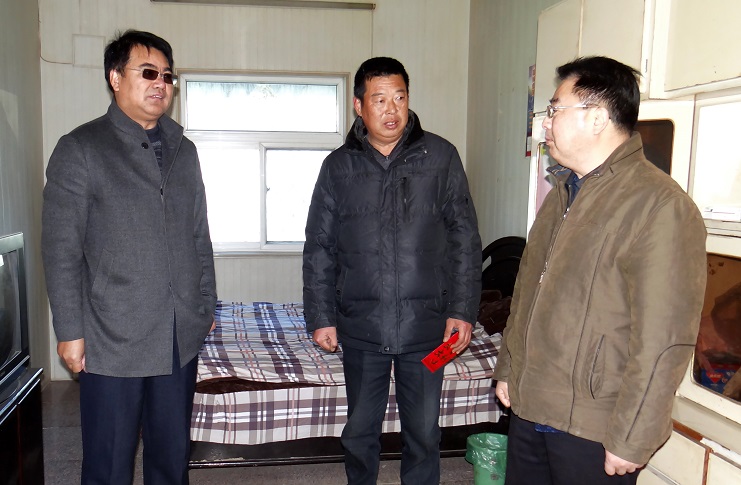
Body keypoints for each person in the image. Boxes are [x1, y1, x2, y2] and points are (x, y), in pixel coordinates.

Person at [493, 56, 707, 485]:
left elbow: (663, 340)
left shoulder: (660, 206)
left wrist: (633, 436)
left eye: (555, 109)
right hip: (532, 405)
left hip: (594, 425)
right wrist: (509, 368)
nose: (546, 123)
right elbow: (528, 294)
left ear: (596, 117)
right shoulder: (562, 194)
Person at [42, 29, 217, 484]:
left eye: (167, 76)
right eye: (148, 72)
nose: (161, 83)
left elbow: (199, 235)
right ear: (116, 78)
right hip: (111, 336)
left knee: (170, 458)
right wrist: (70, 330)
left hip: (177, 336)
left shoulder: (184, 150)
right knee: (109, 462)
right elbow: (61, 249)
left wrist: (205, 305)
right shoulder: (81, 148)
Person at [302, 56, 482, 485]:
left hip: (427, 328)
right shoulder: (338, 167)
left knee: (424, 433)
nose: (391, 109)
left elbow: (465, 240)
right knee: (360, 432)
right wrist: (321, 316)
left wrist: (462, 310)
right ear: (358, 105)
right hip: (361, 327)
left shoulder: (441, 157)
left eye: (399, 97)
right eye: (379, 99)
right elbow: (320, 247)